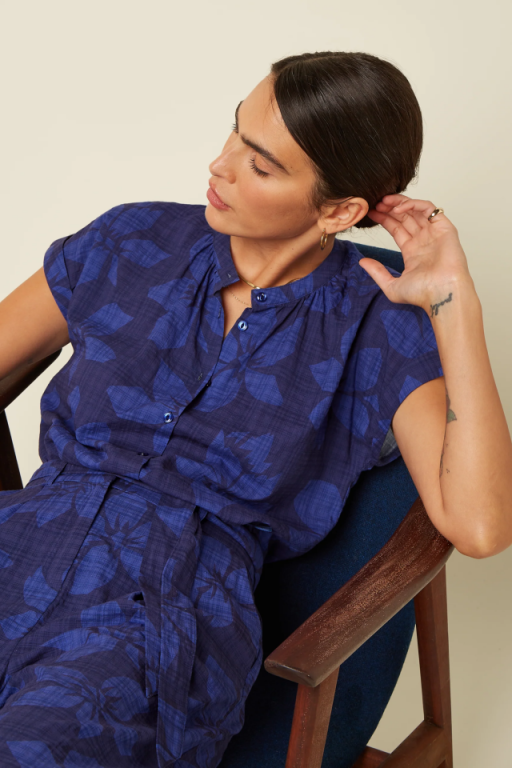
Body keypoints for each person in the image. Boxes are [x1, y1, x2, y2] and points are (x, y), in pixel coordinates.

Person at [0, 50, 511, 768]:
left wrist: (454, 301)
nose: (220, 165)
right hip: (21, 540)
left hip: (157, 617)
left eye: (261, 166)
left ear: (339, 210)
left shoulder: (379, 324)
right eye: (236, 132)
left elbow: (481, 525)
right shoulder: (131, 241)